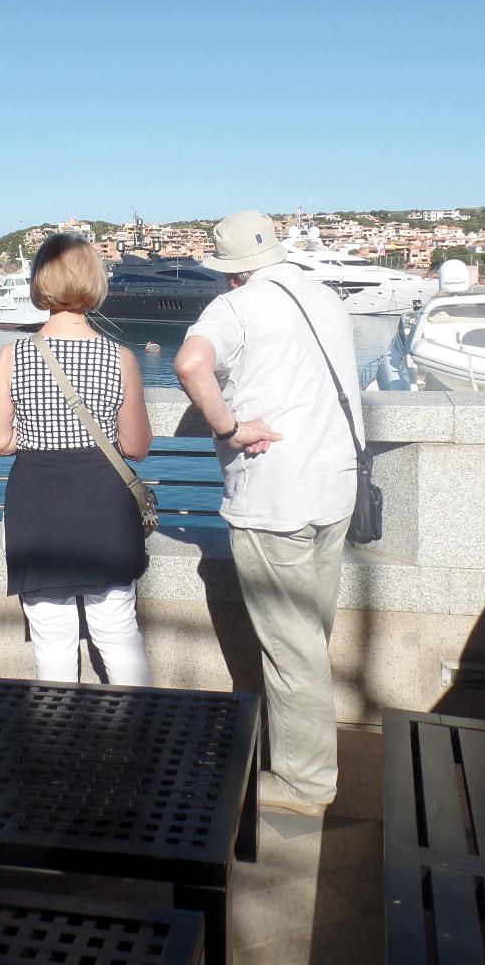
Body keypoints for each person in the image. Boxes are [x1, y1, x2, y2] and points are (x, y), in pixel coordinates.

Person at [173, 209, 362, 817]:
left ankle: (306, 784)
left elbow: (190, 364)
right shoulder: (325, 297)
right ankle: (303, 752)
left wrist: (228, 427)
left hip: (275, 496)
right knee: (309, 638)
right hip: (335, 486)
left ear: (230, 270)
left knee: (291, 650)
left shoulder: (235, 307)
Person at [0, 233, 153, 686]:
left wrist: (37, 435)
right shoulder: (120, 357)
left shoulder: (13, 355)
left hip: (37, 504)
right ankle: (141, 722)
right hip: (105, 504)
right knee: (117, 631)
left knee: (52, 639)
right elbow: (136, 446)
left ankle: (56, 727)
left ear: (40, 282)